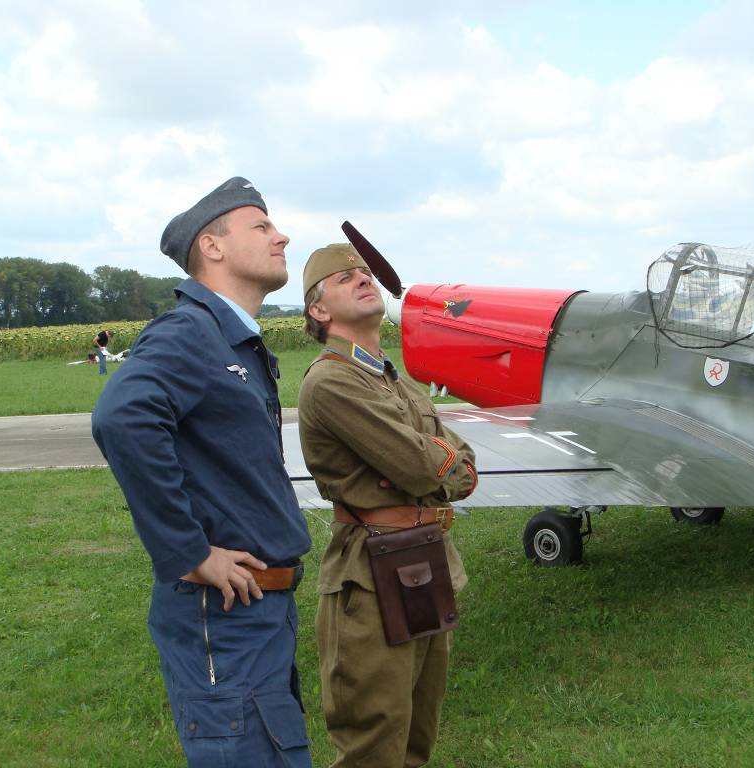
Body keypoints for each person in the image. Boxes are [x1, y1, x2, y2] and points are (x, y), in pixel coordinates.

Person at [91, 177, 312, 767]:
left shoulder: (233, 339)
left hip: (259, 610)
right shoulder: (191, 331)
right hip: (225, 612)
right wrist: (188, 551)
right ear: (212, 247)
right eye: (262, 226)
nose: (281, 237)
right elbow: (123, 417)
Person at [297, 243, 478, 768]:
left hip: (424, 556)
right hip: (372, 573)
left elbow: (460, 464)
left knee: (417, 738)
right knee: (374, 746)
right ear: (319, 310)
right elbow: (424, 466)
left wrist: (437, 460)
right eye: (344, 277)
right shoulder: (332, 380)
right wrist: (436, 460)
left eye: (364, 272)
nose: (363, 278)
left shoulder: (386, 376)